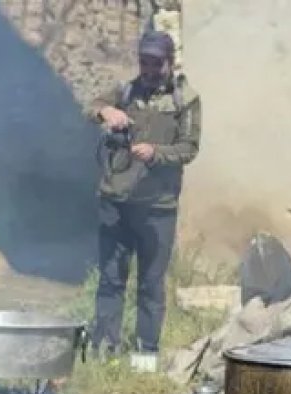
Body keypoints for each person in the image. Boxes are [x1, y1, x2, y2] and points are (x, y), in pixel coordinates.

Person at [87, 31, 202, 373]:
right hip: (116, 201)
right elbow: (90, 107)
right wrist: (106, 112)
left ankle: (145, 355)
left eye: (156, 63)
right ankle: (104, 350)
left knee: (150, 284)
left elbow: (189, 149)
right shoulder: (125, 91)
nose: (149, 70)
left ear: (170, 62)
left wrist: (156, 154)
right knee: (110, 280)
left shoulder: (186, 100)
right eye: (145, 62)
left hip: (158, 208)